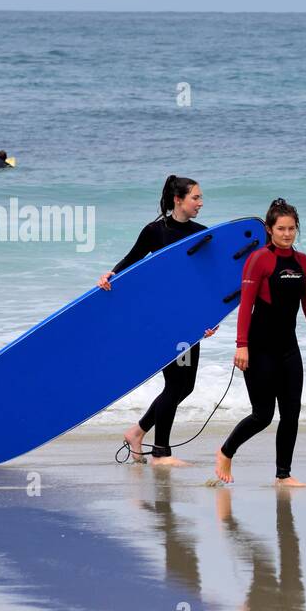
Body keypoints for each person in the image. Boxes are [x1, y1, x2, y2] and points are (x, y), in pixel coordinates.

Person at [98, 175, 216, 465]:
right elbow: (132, 260)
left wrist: (213, 317)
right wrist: (110, 274)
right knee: (176, 384)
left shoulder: (204, 235)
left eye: (200, 198)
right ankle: (161, 453)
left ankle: (137, 432)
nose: (200, 203)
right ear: (178, 200)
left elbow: (212, 282)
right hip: (163, 321)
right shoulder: (155, 231)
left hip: (190, 320)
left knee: (184, 385)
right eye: (195, 198)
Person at [215, 198, 306, 487]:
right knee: (263, 415)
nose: (287, 234)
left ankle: (283, 474)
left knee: (291, 414)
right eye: (281, 228)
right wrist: (241, 345)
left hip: (289, 348)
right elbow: (246, 305)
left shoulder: (303, 262)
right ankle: (226, 452)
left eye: (291, 228)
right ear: (269, 229)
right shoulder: (259, 259)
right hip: (259, 347)